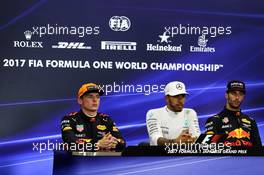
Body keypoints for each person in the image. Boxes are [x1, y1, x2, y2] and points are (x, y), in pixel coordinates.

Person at [61, 83, 126, 151]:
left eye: (97, 96)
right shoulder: (69, 119)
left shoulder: (106, 119)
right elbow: (71, 144)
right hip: (78, 160)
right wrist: (97, 145)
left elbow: (122, 142)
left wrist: (114, 142)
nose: (95, 100)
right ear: (80, 100)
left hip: (104, 161)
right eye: (90, 96)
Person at [205, 80, 262, 147]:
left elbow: (259, 151)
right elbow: (207, 149)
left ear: (243, 96)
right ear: (226, 95)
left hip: (248, 157)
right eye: (233, 93)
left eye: (240, 94)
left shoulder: (251, 121)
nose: (237, 98)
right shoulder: (214, 120)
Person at [146, 81, 201, 146]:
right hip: (160, 154)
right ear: (167, 98)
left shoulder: (190, 113)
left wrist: (192, 140)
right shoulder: (153, 113)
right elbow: (155, 139)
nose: (180, 100)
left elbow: (197, 137)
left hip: (184, 154)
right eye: (176, 96)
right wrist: (175, 142)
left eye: (183, 96)